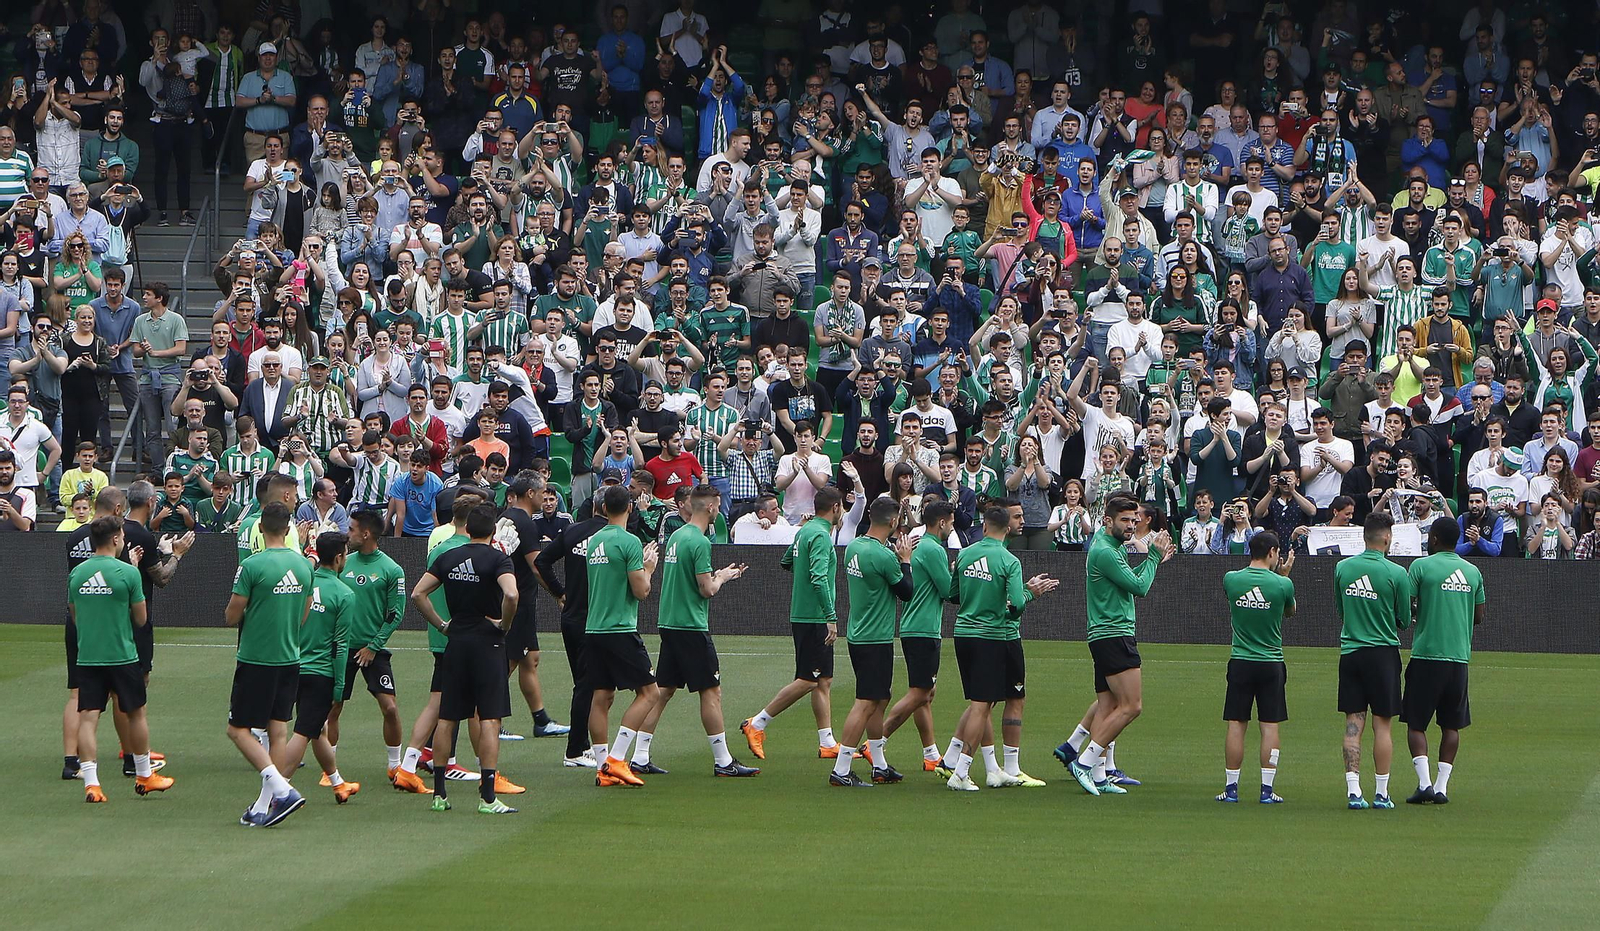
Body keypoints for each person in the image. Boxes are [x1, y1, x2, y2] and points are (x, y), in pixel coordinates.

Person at [631, 485, 759, 777]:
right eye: (718, 505)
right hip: (690, 625)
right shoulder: (700, 542)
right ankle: (723, 761)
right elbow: (707, 589)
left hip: (670, 622)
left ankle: (639, 755)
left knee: (663, 691)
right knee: (711, 692)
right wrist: (724, 576)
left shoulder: (678, 535)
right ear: (712, 507)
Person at [409, 504, 521, 814]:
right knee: (489, 717)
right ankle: (487, 797)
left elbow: (418, 594)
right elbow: (511, 595)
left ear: (467, 529)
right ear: (493, 531)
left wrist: (443, 625)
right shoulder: (499, 559)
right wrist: (504, 624)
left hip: (456, 641)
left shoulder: (448, 557)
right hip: (488, 643)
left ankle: (440, 795)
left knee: (448, 717)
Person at [942, 503, 1060, 791]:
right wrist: (1027, 595)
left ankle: (980, 767)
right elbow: (1017, 605)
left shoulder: (966, 553)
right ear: (1006, 529)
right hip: (991, 637)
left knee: (979, 703)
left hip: (963, 634)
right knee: (982, 706)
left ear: (983, 526)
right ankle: (960, 772)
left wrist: (977, 599)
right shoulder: (1009, 561)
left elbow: (951, 593)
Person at [1062, 496, 1172, 796]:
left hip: (1103, 634)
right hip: (1114, 634)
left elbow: (1129, 581)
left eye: (1135, 520)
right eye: (1125, 520)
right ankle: (1084, 762)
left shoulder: (1105, 544)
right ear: (1108, 521)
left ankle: (1098, 774)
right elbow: (1140, 587)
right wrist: (1153, 557)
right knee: (1132, 706)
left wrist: (1151, 559)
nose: (1131, 526)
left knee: (1108, 706)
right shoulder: (1106, 552)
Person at [69, 515, 172, 802]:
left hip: (89, 656)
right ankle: (144, 776)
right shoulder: (128, 573)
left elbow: (75, 615)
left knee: (88, 718)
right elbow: (141, 619)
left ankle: (92, 783)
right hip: (122, 655)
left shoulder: (77, 574)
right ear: (115, 539)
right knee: (136, 713)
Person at [223, 501, 313, 827]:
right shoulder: (304, 566)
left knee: (237, 730)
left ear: (260, 529)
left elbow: (232, 615)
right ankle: (265, 804)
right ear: (288, 529)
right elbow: (304, 612)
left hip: (256, 658)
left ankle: (282, 789)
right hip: (290, 656)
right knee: (277, 729)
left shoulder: (252, 565)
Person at [741, 486, 844, 761]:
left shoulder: (805, 532)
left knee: (824, 679)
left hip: (802, 613)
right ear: (835, 508)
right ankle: (758, 722)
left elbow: (786, 562)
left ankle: (827, 742)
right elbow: (820, 577)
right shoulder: (820, 536)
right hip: (814, 617)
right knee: (808, 680)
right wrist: (830, 617)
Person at [830, 496, 917, 787]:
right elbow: (906, 592)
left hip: (859, 633)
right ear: (893, 522)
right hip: (875, 638)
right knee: (866, 702)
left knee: (880, 698)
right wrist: (905, 561)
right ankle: (841, 769)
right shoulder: (884, 556)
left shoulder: (854, 546)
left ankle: (879, 765)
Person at [1403, 517, 1487, 805]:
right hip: (1459, 658)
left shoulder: (1420, 566)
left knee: (1416, 723)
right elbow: (1479, 616)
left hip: (1427, 654)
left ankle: (1424, 783)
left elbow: (1407, 604)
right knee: (1451, 725)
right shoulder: (1473, 571)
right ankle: (1441, 787)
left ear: (1435, 539)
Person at [584, 484, 662, 788]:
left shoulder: (593, 541)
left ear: (604, 509)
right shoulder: (630, 542)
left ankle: (603, 766)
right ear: (630, 508)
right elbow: (641, 591)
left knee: (601, 696)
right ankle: (616, 759)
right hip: (620, 628)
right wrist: (650, 567)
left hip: (594, 627)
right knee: (649, 693)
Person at [1334, 511, 1412, 810]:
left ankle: (1354, 790)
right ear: (1388, 537)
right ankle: (1381, 792)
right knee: (1383, 726)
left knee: (1354, 725)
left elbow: (1340, 610)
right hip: (1382, 655)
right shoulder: (1396, 573)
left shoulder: (1343, 568)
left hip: (1351, 652)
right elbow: (1404, 619)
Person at [320, 510, 405, 782]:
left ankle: (395, 765)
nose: (348, 534)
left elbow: (395, 613)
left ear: (366, 534)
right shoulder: (343, 564)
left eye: (353, 529)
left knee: (390, 707)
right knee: (333, 706)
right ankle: (329, 769)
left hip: (373, 650)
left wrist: (373, 646)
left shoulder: (391, 569)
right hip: (341, 649)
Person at [1218, 531, 1296, 804]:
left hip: (1241, 660)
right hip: (1271, 663)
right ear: (1273, 552)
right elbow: (1289, 612)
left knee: (1236, 725)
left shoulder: (1232, 579)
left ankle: (1231, 789)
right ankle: (1266, 789)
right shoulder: (1282, 584)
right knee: (1270, 726)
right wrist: (1284, 576)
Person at [877, 501, 956, 772]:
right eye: (951, 522)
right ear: (942, 522)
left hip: (914, 626)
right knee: (920, 691)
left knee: (926, 693)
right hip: (923, 629)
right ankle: (876, 741)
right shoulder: (934, 549)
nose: (952, 527)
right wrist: (958, 576)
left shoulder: (920, 544)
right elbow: (948, 591)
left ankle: (931, 753)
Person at [282, 532, 359, 804]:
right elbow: (341, 645)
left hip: (292, 666)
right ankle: (278, 791)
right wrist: (339, 685)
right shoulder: (344, 594)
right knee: (304, 731)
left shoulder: (303, 582)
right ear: (339, 558)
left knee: (319, 729)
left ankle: (338, 783)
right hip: (320, 673)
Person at [498, 476, 568, 741]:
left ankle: (541, 720)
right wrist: (559, 593)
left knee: (530, 658)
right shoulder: (525, 522)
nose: (544, 497)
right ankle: (491, 719)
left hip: (517, 599)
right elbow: (537, 566)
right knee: (508, 662)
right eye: (541, 492)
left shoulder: (507, 515)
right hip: (517, 602)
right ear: (530, 493)